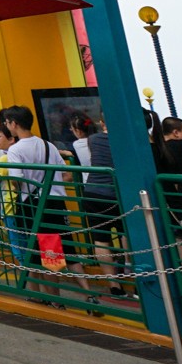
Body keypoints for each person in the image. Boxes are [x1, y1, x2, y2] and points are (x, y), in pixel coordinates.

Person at [0, 105, 65, 299]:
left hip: (32, 205)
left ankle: (43, 296)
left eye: (7, 122)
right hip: (54, 202)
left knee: (32, 253)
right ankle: (56, 298)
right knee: (51, 252)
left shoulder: (15, 150)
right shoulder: (48, 145)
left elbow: (17, 180)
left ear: (14, 124)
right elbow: (65, 173)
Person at [67, 112, 124, 294]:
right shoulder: (122, 140)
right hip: (118, 194)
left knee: (100, 240)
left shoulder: (92, 140)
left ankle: (113, 284)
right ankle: (131, 272)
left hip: (92, 193)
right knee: (126, 234)